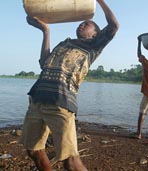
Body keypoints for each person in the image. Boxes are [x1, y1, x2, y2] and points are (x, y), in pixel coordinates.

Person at [19, 0, 119, 170]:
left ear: (95, 34)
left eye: (86, 24)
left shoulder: (93, 47)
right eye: (81, 23)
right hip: (37, 98)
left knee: (70, 161)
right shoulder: (65, 43)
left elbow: (114, 26)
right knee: (33, 151)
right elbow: (44, 62)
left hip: (61, 102)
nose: (82, 25)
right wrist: (46, 31)